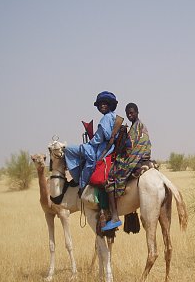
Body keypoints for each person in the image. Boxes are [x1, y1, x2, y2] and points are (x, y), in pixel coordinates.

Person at [102, 102, 152, 231]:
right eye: (128, 114)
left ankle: (114, 216)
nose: (130, 115)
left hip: (137, 159)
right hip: (141, 158)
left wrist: (122, 140)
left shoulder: (138, 127)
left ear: (137, 112)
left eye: (132, 112)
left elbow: (131, 148)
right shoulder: (137, 127)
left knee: (110, 178)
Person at [64, 91, 118, 195]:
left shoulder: (106, 118)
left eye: (105, 103)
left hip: (100, 149)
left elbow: (99, 138)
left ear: (110, 105)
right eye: (100, 103)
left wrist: (88, 143)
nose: (102, 105)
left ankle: (81, 184)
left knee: (68, 149)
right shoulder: (114, 116)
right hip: (108, 148)